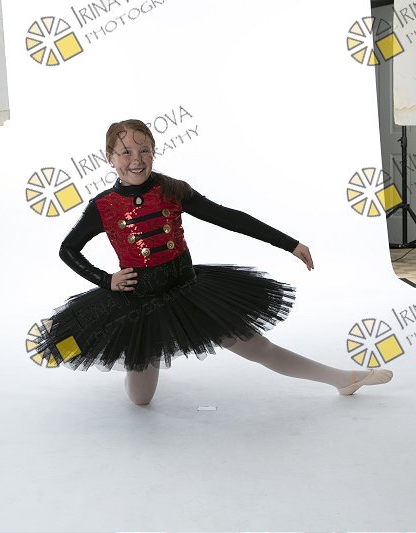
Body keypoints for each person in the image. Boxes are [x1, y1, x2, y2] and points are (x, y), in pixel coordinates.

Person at [34, 119, 393, 405]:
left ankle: (344, 379)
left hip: (190, 294)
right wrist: (106, 280)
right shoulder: (103, 206)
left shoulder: (172, 189)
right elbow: (68, 249)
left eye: (144, 150)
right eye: (125, 152)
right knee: (141, 399)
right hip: (140, 303)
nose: (136, 160)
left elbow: (228, 217)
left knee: (258, 348)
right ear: (109, 157)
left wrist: (289, 243)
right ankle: (139, 355)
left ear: (155, 153)